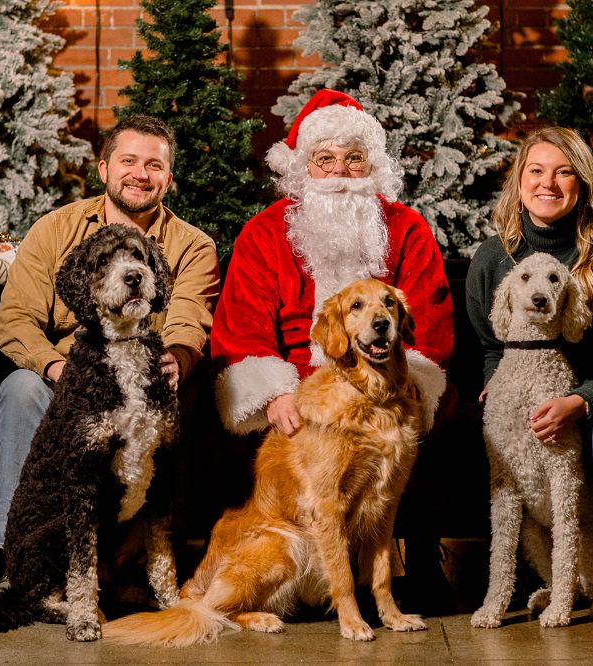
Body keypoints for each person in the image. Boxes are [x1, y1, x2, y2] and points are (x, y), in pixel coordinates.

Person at [209, 89, 454, 607]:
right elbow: (242, 322)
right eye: (325, 160)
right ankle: (302, 581)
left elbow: (428, 318)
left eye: (353, 159)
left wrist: (411, 390)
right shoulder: (265, 232)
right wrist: (274, 395)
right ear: (305, 169)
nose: (340, 173)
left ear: (372, 165)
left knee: (420, 427)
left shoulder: (407, 228)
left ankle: (422, 564)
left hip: (389, 383)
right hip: (299, 390)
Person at [0, 114, 220, 553]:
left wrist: (179, 355)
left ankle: (136, 557)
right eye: (128, 161)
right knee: (20, 388)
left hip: (142, 379)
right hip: (69, 374)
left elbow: (188, 318)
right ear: (104, 169)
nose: (140, 174)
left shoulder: (193, 245)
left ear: (168, 179)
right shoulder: (55, 229)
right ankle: (15, 551)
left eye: (154, 165)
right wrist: (56, 367)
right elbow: (15, 318)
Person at [465, 125, 593, 626]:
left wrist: (579, 401)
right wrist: (496, 379)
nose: (547, 183)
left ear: (582, 183)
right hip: (525, 385)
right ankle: (546, 578)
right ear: (520, 181)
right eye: (536, 171)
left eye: (563, 172)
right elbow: (491, 344)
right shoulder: (494, 257)